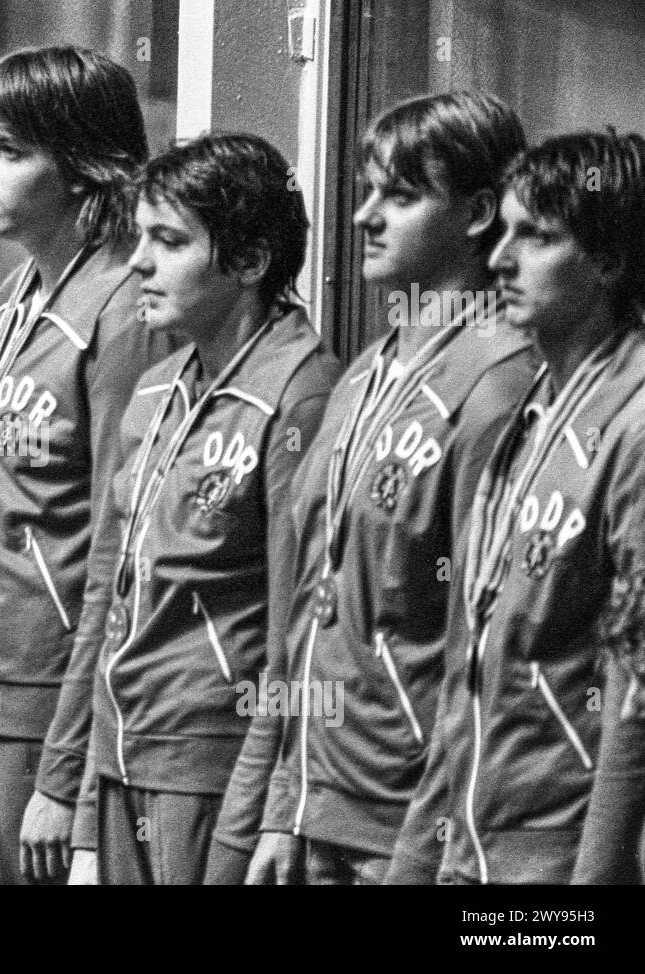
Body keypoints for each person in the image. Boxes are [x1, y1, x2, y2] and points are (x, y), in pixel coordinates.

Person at [223, 91, 538, 884]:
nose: (365, 215)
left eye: (399, 196)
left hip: (412, 823)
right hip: (321, 804)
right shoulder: (363, 373)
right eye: (367, 190)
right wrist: (284, 802)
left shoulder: (501, 382)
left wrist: (431, 840)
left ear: (475, 213)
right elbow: (307, 612)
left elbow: (487, 648)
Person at [0, 45, 176, 885]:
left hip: (52, 708)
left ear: (84, 165)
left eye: (9, 151)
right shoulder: (13, 298)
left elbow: (119, 554)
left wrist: (68, 773)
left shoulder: (126, 311)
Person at [67, 132, 340, 884]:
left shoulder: (301, 392)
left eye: (169, 241)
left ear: (249, 261)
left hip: (213, 770)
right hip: (124, 756)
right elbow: (112, 601)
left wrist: (264, 810)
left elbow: (298, 636)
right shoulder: (156, 389)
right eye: (140, 237)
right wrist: (86, 801)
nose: (137, 262)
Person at [389, 130, 645, 885]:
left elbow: (637, 698)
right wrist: (418, 855)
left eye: (536, 236)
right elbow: (471, 665)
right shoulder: (530, 410)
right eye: (502, 230)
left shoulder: (634, 424)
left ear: (609, 259)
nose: (501, 258)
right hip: (473, 844)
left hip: (559, 865)